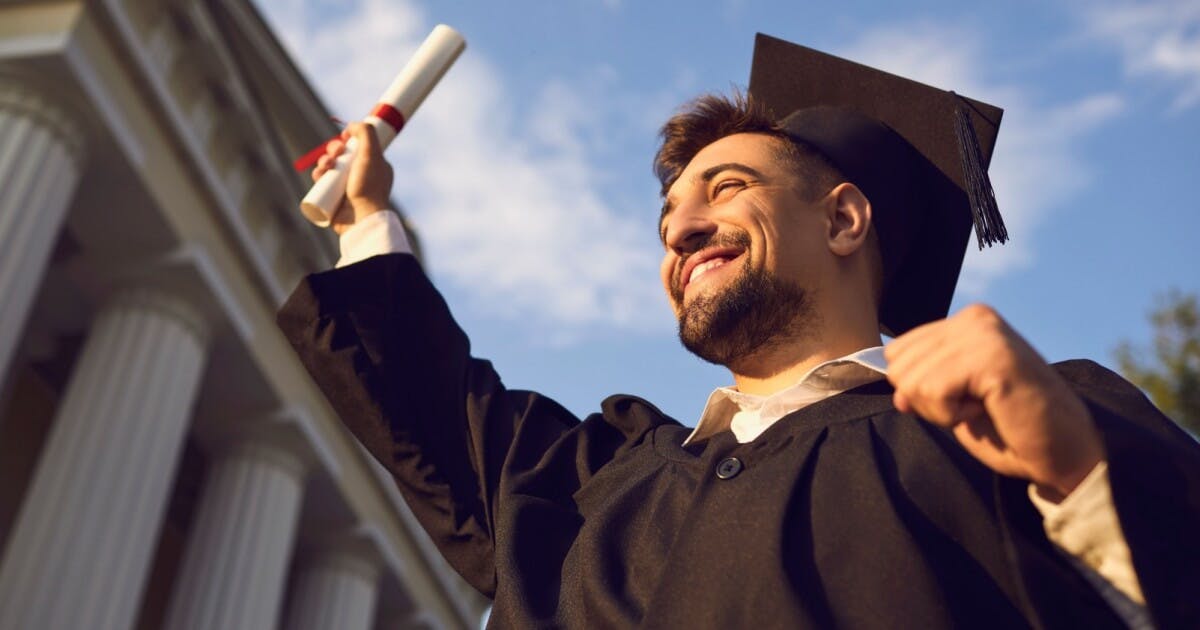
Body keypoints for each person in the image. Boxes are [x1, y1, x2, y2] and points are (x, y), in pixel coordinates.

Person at [278, 34, 1199, 629]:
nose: (679, 228)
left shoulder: (1018, 422)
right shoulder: (596, 488)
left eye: (727, 189)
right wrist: (367, 216)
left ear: (844, 221)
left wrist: (1078, 471)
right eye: (667, 216)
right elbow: (435, 405)